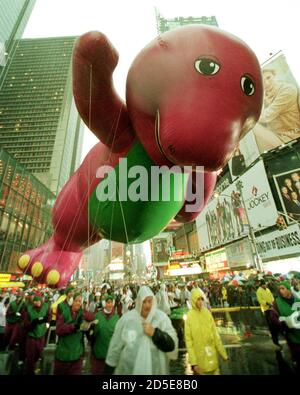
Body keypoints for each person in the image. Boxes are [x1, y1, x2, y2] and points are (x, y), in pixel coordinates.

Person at [105, 285, 178, 375]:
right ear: (139, 302)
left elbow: (171, 346)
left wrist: (155, 333)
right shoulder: (127, 320)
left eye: (149, 301)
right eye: (144, 302)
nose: (147, 305)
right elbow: (115, 347)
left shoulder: (161, 319)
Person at [253, 68, 300, 151]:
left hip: (291, 137)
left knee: (251, 126)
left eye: (268, 78)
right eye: (262, 82)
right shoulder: (267, 94)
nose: (267, 83)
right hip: (277, 136)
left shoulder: (287, 90)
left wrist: (262, 99)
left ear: (274, 76)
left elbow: (264, 117)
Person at [184, 288, 228, 375]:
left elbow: (215, 335)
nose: (200, 302)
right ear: (193, 300)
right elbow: (189, 342)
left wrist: (223, 354)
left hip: (213, 362)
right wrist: (194, 363)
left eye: (201, 299)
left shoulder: (207, 313)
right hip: (200, 366)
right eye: (198, 299)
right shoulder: (189, 316)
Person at [54, 293, 91, 375]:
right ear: (72, 302)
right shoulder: (65, 314)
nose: (78, 303)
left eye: (80, 301)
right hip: (63, 355)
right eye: (76, 301)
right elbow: (58, 330)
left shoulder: (83, 314)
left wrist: (89, 324)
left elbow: (91, 319)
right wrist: (73, 327)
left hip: (76, 355)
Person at [271, 281, 300, 373]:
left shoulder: (296, 300)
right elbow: (274, 318)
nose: (281, 291)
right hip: (290, 334)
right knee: (296, 352)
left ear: (288, 289)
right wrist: (282, 324)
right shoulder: (277, 303)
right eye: (279, 289)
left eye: (283, 288)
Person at [89, 295, 119, 375]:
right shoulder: (97, 315)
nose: (109, 305)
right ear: (104, 303)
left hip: (111, 355)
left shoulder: (116, 318)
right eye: (108, 302)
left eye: (111, 303)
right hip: (98, 354)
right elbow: (91, 333)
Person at [23, 292, 51, 375]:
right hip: (31, 335)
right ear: (33, 302)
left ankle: (35, 363)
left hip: (41, 333)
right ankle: (30, 370)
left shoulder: (46, 306)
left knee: (39, 352)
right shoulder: (29, 309)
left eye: (39, 301)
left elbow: (49, 315)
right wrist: (32, 324)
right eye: (35, 301)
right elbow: (25, 323)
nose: (37, 303)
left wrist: (47, 323)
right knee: (30, 354)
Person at [256, 280, 281, 348]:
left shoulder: (267, 289)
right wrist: (267, 303)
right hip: (265, 309)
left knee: (275, 321)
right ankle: (273, 337)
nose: (265, 285)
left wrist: (272, 302)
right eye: (264, 284)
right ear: (261, 285)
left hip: (271, 307)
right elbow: (260, 300)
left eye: (265, 284)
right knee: (270, 323)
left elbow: (271, 296)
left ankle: (275, 334)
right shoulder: (259, 291)